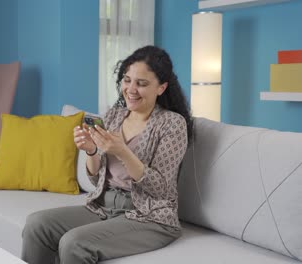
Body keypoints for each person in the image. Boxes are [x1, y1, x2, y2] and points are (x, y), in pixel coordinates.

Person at [21, 45, 193, 264]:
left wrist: (123, 151)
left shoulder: (172, 124)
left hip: (150, 217)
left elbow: (161, 189)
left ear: (161, 88)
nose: (131, 89)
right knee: (37, 225)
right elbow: (96, 179)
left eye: (142, 83)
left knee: (74, 243)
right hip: (103, 205)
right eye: (127, 80)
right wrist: (91, 150)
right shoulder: (114, 115)